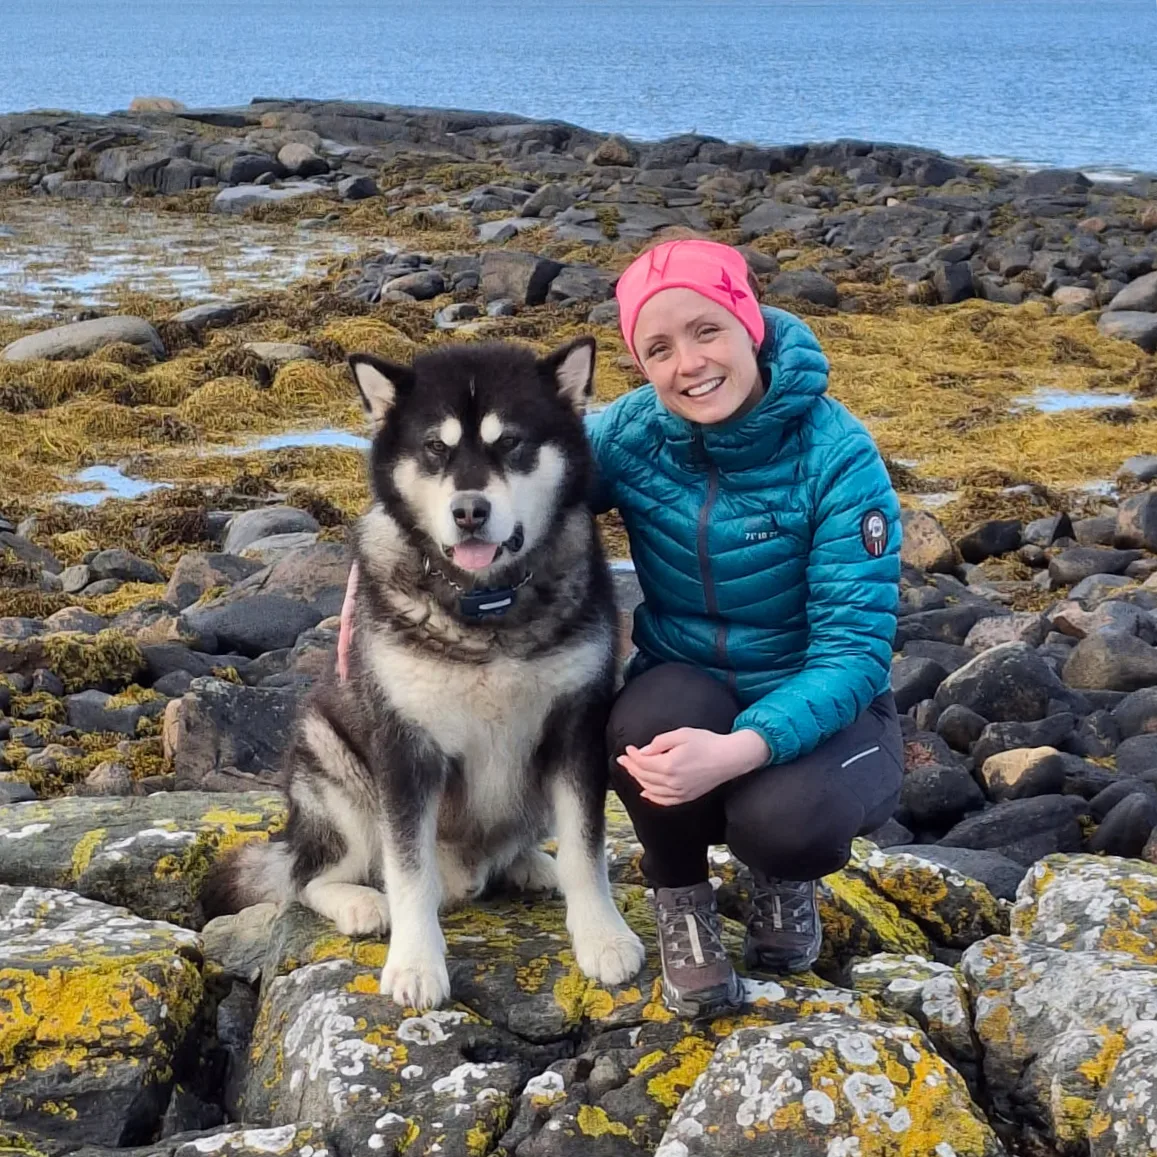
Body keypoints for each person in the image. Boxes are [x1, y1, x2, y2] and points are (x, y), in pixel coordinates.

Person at [336, 236, 904, 1017]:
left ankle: (781, 880)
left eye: (707, 331)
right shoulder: (635, 435)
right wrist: (384, 561)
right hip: (691, 684)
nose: (689, 363)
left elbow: (854, 651)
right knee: (629, 726)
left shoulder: (839, 458)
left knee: (783, 819)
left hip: (826, 700)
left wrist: (741, 748)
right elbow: (506, 487)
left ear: (750, 325)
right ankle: (682, 902)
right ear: (641, 363)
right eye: (659, 347)